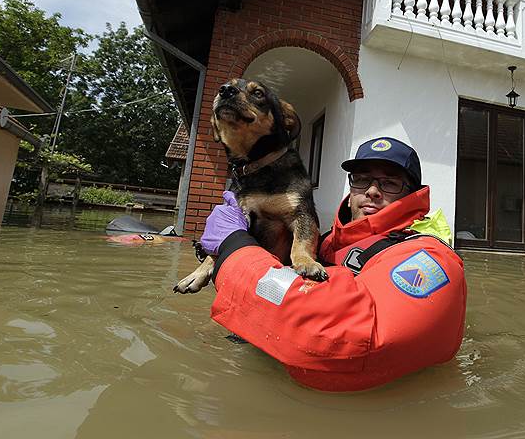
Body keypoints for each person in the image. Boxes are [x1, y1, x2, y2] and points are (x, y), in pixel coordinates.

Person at [200, 137, 466, 391]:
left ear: (413, 195)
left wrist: (233, 247)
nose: (372, 191)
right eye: (361, 180)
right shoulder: (326, 241)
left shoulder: (431, 257)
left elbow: (348, 344)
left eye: (390, 183)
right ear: (351, 190)